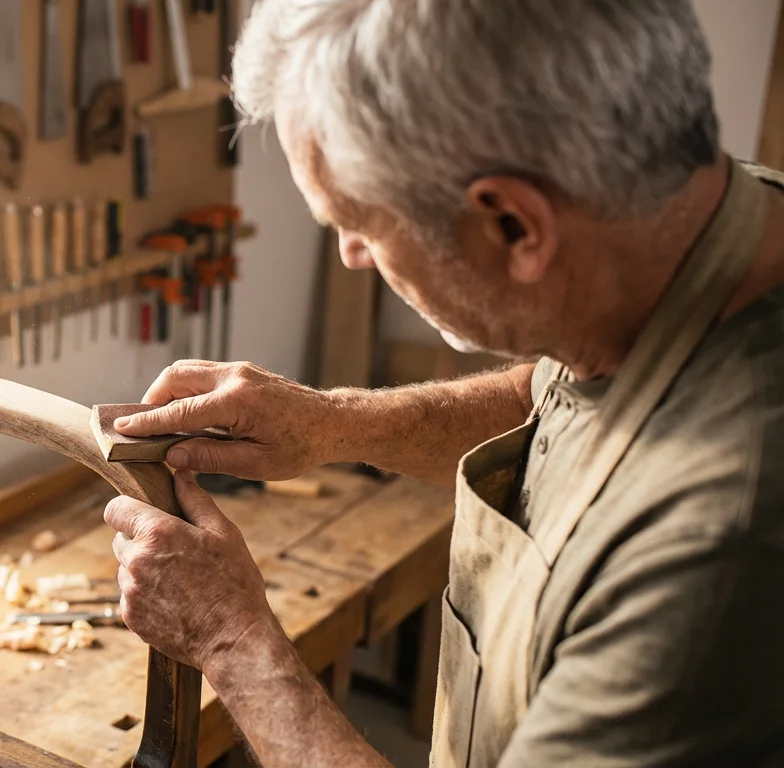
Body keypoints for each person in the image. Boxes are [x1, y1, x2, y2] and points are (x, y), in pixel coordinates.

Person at [102, 1, 784, 765]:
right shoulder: (684, 225)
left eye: (359, 225)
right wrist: (334, 424)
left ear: (514, 227)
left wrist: (231, 640)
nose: (354, 256)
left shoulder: (718, 548)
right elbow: (561, 397)